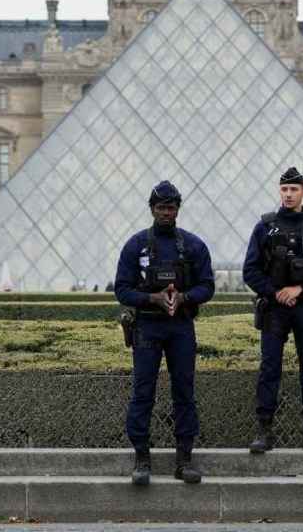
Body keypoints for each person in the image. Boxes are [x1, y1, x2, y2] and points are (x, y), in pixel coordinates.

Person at [114, 180, 215, 486]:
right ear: (152, 209)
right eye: (160, 208)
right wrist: (151, 298)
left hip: (181, 325)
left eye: (170, 208)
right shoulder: (135, 246)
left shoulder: (194, 246)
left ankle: (184, 459)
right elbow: (121, 289)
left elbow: (207, 286)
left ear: (177, 209)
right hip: (146, 325)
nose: (165, 213)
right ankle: (142, 458)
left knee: (185, 392)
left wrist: (184, 297)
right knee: (143, 393)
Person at [243, 167, 303, 454]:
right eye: (284, 189)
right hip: (274, 309)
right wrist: (276, 293)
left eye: (294, 189)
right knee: (269, 368)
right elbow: (251, 271)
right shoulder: (264, 228)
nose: (288, 194)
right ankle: (264, 430)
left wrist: (300, 290)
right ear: (279, 191)